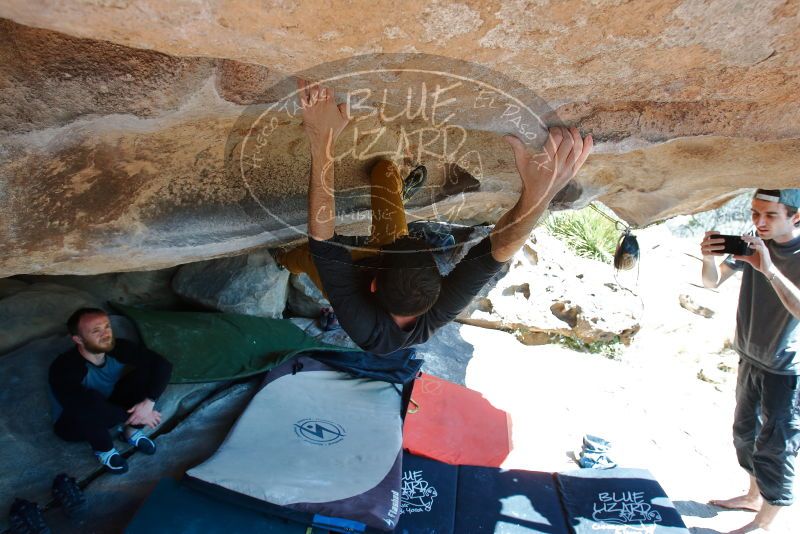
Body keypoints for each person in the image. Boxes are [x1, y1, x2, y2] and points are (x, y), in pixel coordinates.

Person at [278, 79, 593, 355]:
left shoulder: (362, 321)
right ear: (437, 282)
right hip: (392, 259)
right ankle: (397, 195)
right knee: (384, 171)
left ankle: (282, 259)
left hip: (370, 266)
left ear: (372, 286)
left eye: (405, 241)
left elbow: (322, 239)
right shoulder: (438, 306)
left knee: (307, 256)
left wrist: (322, 140)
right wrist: (540, 195)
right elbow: (499, 250)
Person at [700, 189, 800, 533]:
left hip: (785, 368)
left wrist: (769, 269)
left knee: (776, 447)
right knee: (745, 434)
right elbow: (710, 282)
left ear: (796, 217)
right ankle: (753, 496)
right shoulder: (754, 241)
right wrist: (708, 257)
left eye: (770, 215)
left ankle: (763, 524)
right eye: (755, 213)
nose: (759, 222)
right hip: (750, 356)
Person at [48, 308, 173, 474]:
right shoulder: (65, 367)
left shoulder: (116, 347)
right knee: (89, 401)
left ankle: (131, 433)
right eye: (96, 331)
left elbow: (162, 365)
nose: (106, 334)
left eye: (107, 326)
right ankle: (104, 450)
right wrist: (136, 416)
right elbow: (80, 405)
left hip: (108, 402)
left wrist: (149, 402)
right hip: (73, 422)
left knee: (146, 372)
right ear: (78, 339)